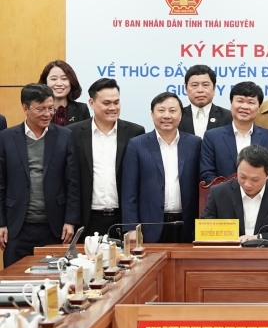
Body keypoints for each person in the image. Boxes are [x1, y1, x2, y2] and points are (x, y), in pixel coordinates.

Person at [0, 84, 79, 267]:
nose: (47, 114)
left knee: (56, 279)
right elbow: (1, 184)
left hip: (55, 227)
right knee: (15, 279)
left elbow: (73, 182)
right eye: (40, 109)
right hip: (17, 227)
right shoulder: (6, 138)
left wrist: (70, 220)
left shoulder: (65, 136)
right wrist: (1, 223)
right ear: (25, 108)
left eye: (51, 108)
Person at [67, 78, 145, 239]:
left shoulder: (134, 132)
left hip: (122, 220)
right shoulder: (73, 133)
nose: (113, 108)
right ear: (91, 103)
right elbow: (69, 180)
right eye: (106, 103)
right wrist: (70, 220)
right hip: (86, 220)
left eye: (116, 102)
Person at [121, 92, 201, 243]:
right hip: (150, 225)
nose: (167, 116)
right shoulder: (137, 144)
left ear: (181, 115)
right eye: (161, 110)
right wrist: (131, 228)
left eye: (172, 110)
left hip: (187, 224)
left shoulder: (195, 143)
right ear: (152, 114)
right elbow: (129, 191)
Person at [201, 145, 268, 245]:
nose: (247, 184)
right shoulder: (218, 193)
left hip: (267, 253)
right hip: (230, 253)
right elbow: (203, 232)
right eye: (243, 177)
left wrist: (259, 238)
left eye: (255, 179)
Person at [200, 81, 268, 184]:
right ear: (231, 104)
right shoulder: (212, 137)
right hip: (222, 193)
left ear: (258, 108)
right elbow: (207, 174)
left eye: (251, 102)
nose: (244, 106)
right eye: (240, 101)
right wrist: (227, 191)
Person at [178, 64, 232, 138]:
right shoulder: (178, 116)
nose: (200, 90)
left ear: (214, 88)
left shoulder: (228, 117)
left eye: (205, 85)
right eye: (194, 85)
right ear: (186, 88)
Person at [38, 60, 90, 126]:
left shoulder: (82, 109)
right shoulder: (38, 109)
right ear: (45, 82)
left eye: (64, 79)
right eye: (54, 79)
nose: (59, 84)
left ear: (71, 82)